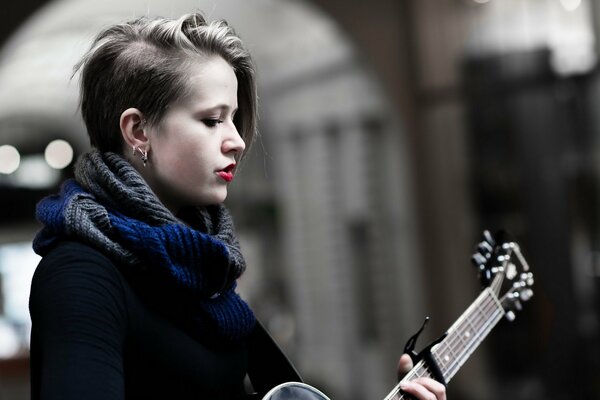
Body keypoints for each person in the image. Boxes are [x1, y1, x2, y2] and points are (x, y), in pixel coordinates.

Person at [28, 12, 447, 400]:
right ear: (138, 130)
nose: (238, 140)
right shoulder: (81, 277)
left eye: (234, 118)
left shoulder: (202, 269)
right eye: (212, 120)